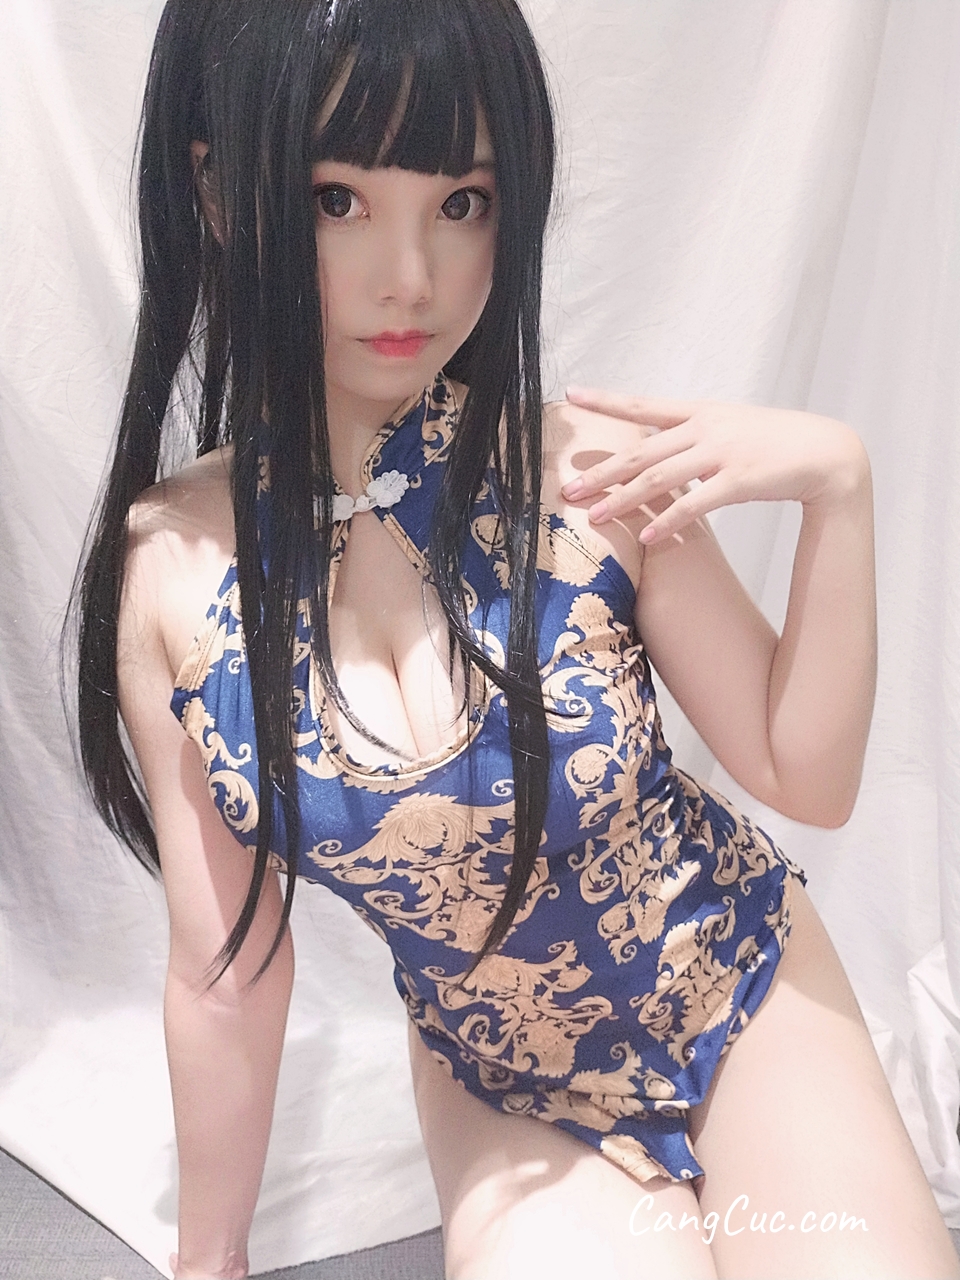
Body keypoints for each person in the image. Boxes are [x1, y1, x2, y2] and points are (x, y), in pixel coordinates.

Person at [69, 1, 960, 1277]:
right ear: (218, 195)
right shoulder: (171, 568)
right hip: (509, 1082)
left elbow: (802, 773)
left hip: (741, 986)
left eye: (463, 202)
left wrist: (840, 489)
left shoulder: (586, 477)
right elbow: (225, 964)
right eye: (335, 199)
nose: (410, 275)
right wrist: (210, 1259)